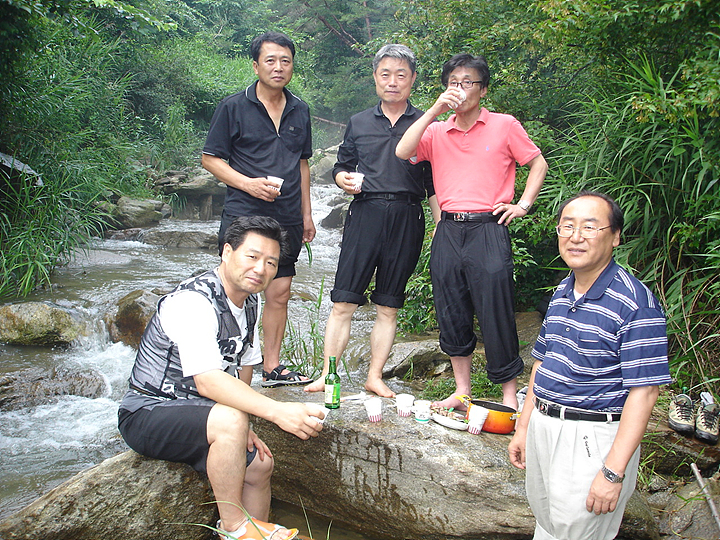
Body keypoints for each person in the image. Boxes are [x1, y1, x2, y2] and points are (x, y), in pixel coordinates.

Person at [118, 216, 325, 540]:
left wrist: (242, 428)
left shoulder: (250, 300)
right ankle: (234, 527)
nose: (261, 269)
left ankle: (255, 531)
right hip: (148, 411)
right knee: (231, 421)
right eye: (252, 256)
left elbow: (245, 367)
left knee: (260, 463)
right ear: (227, 252)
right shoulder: (193, 301)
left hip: (202, 413)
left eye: (271, 263)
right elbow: (208, 381)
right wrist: (275, 412)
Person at [507, 191, 671, 540]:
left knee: (577, 533)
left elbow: (645, 393)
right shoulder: (563, 291)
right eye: (567, 226)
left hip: (590, 436)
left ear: (615, 237)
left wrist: (612, 473)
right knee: (547, 527)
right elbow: (542, 363)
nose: (576, 236)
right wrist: (524, 426)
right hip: (544, 426)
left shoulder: (635, 304)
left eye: (590, 227)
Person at [395, 53, 548, 411]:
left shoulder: (504, 125)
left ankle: (508, 395)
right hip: (448, 229)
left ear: (483, 89)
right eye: (453, 82)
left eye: (468, 82)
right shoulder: (437, 130)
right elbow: (403, 151)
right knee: (451, 310)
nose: (460, 89)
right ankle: (461, 390)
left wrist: (523, 205)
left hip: (489, 227)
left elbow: (537, 163)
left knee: (496, 309)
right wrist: (434, 110)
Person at [304, 44, 437, 398]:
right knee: (344, 301)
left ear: (412, 80)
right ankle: (327, 374)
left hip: (408, 216)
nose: (393, 82)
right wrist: (342, 180)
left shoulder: (427, 123)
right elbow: (341, 166)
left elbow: (434, 182)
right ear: (375, 78)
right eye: (385, 74)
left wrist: (440, 226)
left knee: (389, 305)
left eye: (401, 75)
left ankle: (374, 377)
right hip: (365, 212)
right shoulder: (359, 122)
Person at [202, 31, 314, 387]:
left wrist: (307, 214)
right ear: (255, 66)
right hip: (244, 212)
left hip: (288, 216)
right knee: (235, 288)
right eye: (271, 60)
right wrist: (248, 183)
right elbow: (210, 159)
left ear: (292, 66)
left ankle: (271, 366)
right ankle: (224, 362)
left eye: (285, 61)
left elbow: (302, 164)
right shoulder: (233, 106)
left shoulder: (300, 109)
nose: (278, 67)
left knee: (279, 292)